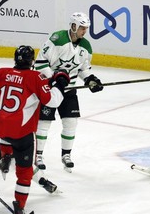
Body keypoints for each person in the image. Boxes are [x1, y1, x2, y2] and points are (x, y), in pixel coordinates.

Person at [0, 45, 69, 213]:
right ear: (32, 61)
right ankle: (20, 205)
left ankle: (6, 155)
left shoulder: (1, 73)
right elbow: (52, 101)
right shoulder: (36, 77)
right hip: (20, 133)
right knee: (24, 172)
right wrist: (60, 83)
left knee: (5, 134)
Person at [34, 12, 103, 172]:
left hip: (69, 90)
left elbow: (83, 69)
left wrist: (90, 80)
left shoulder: (86, 46)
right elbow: (40, 63)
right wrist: (55, 79)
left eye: (86, 28)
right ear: (73, 26)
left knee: (71, 122)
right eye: (82, 28)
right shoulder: (57, 39)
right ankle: (38, 155)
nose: (84, 31)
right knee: (44, 123)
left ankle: (66, 155)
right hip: (49, 89)